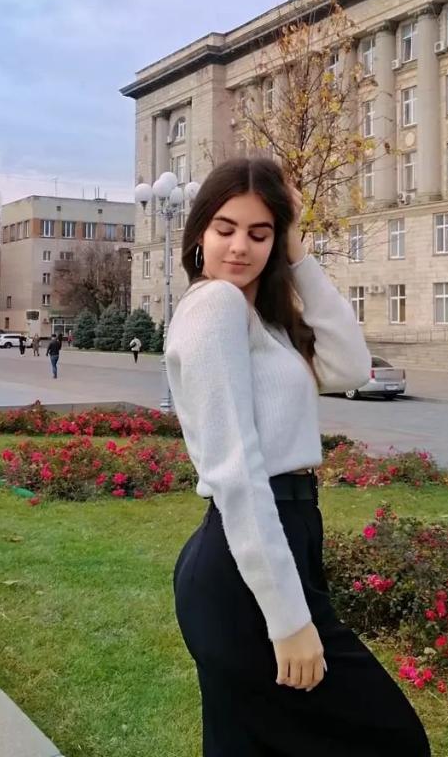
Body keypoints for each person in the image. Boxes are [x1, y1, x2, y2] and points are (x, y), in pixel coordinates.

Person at [166, 158, 430, 756]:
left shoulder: (262, 321)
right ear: (199, 232)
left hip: (280, 538)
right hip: (247, 565)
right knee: (393, 738)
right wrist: (287, 620)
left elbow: (350, 368)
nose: (240, 247)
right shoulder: (215, 306)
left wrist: (299, 255)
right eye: (225, 229)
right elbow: (236, 471)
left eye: (260, 234)